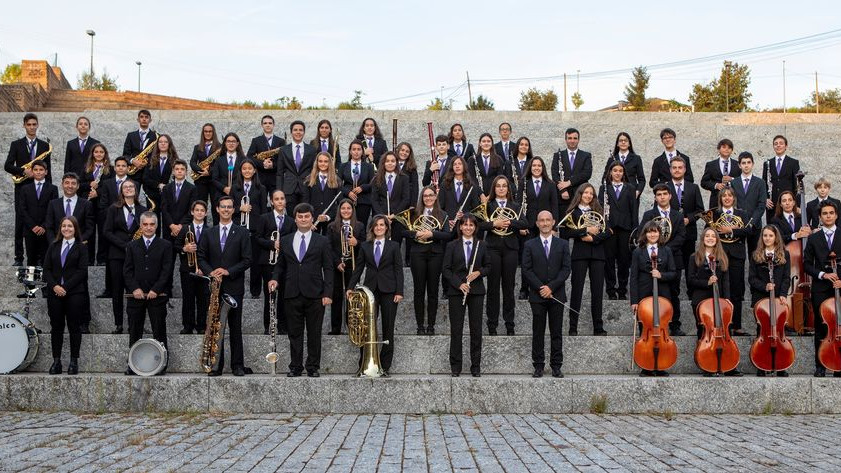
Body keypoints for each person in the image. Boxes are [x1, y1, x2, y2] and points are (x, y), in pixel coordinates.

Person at [269, 203, 333, 377]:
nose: (303, 219)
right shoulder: (286, 239)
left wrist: (328, 293)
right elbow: (280, 265)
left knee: (314, 333)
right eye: (300, 216)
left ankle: (312, 367)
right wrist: (274, 278)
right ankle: (295, 367)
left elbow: (328, 268)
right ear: (295, 219)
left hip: (315, 294)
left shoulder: (323, 240)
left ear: (312, 218)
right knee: (294, 333)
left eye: (306, 216)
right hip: (292, 293)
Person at [197, 195, 252, 376]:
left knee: (235, 328)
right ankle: (215, 366)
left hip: (234, 286)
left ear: (233, 210)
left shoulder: (242, 232)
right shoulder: (208, 233)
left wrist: (228, 271)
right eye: (223, 207)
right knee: (215, 328)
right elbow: (201, 257)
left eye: (229, 207)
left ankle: (237, 365)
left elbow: (247, 260)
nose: (226, 209)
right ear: (217, 209)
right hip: (214, 287)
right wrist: (211, 272)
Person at [348, 215, 404, 376]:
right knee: (365, 328)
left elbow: (398, 270)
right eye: (376, 225)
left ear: (387, 228)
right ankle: (364, 365)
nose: (379, 227)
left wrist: (399, 291)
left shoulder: (394, 246)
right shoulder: (365, 246)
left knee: (388, 328)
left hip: (389, 290)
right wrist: (350, 287)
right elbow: (358, 268)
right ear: (372, 228)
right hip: (370, 290)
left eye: (382, 225)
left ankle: (384, 366)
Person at [522, 210, 571, 378]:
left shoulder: (563, 244)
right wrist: (541, 288)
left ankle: (556, 365)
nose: (544, 223)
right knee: (538, 332)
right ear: (536, 223)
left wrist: (551, 287)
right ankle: (538, 365)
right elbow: (526, 270)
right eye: (541, 220)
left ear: (553, 222)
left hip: (557, 295)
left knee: (556, 332)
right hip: (537, 296)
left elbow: (566, 269)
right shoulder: (529, 245)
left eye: (547, 220)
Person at [44, 172, 95, 331]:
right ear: (62, 184)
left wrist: (78, 242)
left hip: (78, 252)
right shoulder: (53, 204)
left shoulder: (85, 204)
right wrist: (55, 244)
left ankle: (83, 322)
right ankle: (56, 324)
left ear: (78, 186)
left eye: (73, 183)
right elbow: (49, 226)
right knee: (57, 283)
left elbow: (90, 226)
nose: (70, 186)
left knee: (81, 286)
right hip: (57, 252)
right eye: (67, 183)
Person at [123, 212, 172, 376]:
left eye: (152, 224)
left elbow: (166, 271)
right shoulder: (132, 246)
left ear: (156, 226)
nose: (149, 227)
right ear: (141, 226)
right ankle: (132, 364)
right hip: (136, 296)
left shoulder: (165, 245)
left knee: (159, 330)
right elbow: (127, 271)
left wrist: (156, 290)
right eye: (146, 224)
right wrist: (135, 289)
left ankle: (162, 364)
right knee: (134, 331)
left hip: (157, 296)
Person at [442, 214, 490, 377]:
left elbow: (489, 266)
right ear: (460, 227)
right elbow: (446, 270)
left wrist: (479, 272)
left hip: (476, 291)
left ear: (475, 228)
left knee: (476, 330)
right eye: (465, 225)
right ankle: (456, 367)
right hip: (457, 292)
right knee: (456, 329)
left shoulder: (482, 245)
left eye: (471, 225)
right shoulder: (451, 246)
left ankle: (475, 366)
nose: (468, 227)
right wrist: (459, 284)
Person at [559, 183, 611, 336]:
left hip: (598, 255)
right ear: (580, 194)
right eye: (585, 193)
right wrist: (585, 230)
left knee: (597, 292)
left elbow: (608, 231)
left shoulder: (599, 211)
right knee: (577, 291)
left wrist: (593, 239)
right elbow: (565, 232)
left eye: (591, 193)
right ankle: (573, 327)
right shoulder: (573, 212)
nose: (588, 195)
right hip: (580, 255)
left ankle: (598, 327)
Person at [478, 176, 527, 335]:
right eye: (498, 186)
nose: (501, 188)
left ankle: (509, 324)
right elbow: (478, 224)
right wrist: (494, 224)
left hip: (511, 249)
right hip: (492, 249)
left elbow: (525, 224)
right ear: (494, 188)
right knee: (492, 288)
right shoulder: (488, 205)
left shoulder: (516, 206)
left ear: (508, 188)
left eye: (504, 186)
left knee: (509, 287)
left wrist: (509, 222)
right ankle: (492, 325)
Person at [630, 220, 678, 376]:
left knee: (661, 327)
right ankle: (646, 365)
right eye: (649, 231)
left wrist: (661, 275)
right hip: (644, 294)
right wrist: (634, 301)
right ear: (645, 234)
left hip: (662, 295)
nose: (652, 234)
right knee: (646, 329)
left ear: (659, 233)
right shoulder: (638, 252)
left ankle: (661, 365)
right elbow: (634, 278)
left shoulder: (666, 251)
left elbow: (673, 273)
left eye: (655, 231)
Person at [639, 184, 687, 335]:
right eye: (659, 194)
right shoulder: (648, 215)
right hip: (651, 259)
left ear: (670, 196)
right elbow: (642, 234)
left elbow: (681, 236)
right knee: (651, 293)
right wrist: (658, 251)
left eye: (665, 194)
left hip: (673, 259)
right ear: (655, 197)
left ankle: (674, 325)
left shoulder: (678, 215)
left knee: (673, 292)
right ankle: (652, 324)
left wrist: (664, 251)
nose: (662, 197)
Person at [402, 187, 451, 334]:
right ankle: (419, 326)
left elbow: (448, 235)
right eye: (425, 196)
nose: (428, 198)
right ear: (421, 198)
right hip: (418, 254)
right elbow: (403, 231)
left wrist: (432, 233)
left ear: (435, 197)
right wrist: (416, 233)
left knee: (433, 291)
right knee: (418, 290)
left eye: (431, 195)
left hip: (436, 254)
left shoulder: (443, 214)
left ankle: (431, 325)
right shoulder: (414, 214)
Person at [43, 216, 88, 375]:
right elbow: (46, 269)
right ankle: (56, 361)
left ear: (75, 229)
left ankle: (73, 361)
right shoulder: (53, 246)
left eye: (70, 226)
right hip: (55, 293)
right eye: (64, 226)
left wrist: (65, 287)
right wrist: (55, 286)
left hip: (74, 293)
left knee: (74, 327)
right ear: (60, 228)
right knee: (56, 327)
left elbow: (82, 271)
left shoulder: (81, 247)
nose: (67, 229)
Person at [5, 113, 52, 266]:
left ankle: (39, 257)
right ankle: (19, 258)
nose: (31, 127)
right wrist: (23, 171)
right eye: (29, 124)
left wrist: (48, 188)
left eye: (34, 124)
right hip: (22, 187)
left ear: (37, 125)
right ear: (24, 125)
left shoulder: (45, 146)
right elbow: (7, 165)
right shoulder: (16, 144)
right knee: (20, 223)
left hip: (40, 189)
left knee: (40, 220)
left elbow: (48, 170)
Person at [103, 180, 146, 334]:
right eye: (125, 187)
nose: (128, 189)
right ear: (121, 191)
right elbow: (107, 231)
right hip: (117, 255)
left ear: (136, 190)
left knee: (134, 288)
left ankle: (135, 323)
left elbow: (147, 232)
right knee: (117, 290)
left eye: (131, 187)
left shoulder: (143, 209)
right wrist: (124, 245)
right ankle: (118, 324)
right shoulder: (113, 209)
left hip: (136, 256)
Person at [747, 225, 791, 377]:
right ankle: (762, 364)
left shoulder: (784, 254)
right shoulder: (756, 255)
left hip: (778, 297)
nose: (767, 238)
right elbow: (751, 278)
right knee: (762, 331)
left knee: (778, 329)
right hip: (761, 298)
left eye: (770, 236)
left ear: (776, 237)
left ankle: (780, 365)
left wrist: (783, 294)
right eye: (765, 236)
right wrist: (765, 286)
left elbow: (786, 277)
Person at [804, 201, 841, 377]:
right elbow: (806, 265)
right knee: (821, 325)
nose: (828, 216)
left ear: (836, 215)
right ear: (819, 217)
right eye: (824, 213)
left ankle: (839, 364)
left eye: (831, 213)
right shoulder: (813, 238)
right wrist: (822, 275)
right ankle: (820, 365)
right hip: (820, 287)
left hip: (840, 287)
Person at [711, 188, 754, 335]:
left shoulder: (742, 214)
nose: (727, 198)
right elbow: (708, 232)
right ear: (720, 199)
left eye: (730, 195)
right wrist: (719, 230)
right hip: (720, 255)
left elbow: (749, 231)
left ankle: (737, 325)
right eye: (724, 196)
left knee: (736, 290)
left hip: (737, 256)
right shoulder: (714, 214)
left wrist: (731, 230)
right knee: (721, 289)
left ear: (734, 198)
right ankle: (722, 324)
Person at [254, 190, 295, 335]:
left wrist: (283, 244)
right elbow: (257, 238)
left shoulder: (291, 221)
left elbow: (293, 240)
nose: (279, 201)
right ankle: (269, 326)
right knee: (270, 296)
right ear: (272, 202)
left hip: (285, 264)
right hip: (268, 262)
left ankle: (283, 326)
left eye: (282, 199)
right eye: (276, 199)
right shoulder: (264, 218)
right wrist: (272, 243)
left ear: (285, 201)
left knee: (284, 296)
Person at [95, 155, 135, 300]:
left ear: (128, 168)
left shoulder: (133, 183)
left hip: (128, 228)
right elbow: (103, 204)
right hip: (111, 226)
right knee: (109, 258)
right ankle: (109, 288)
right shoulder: (107, 183)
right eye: (118, 166)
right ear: (115, 168)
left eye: (123, 166)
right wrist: (115, 214)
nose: (120, 168)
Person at [521, 156, 558, 300]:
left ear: (543, 168)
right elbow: (519, 205)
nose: (536, 168)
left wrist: (554, 228)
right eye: (534, 165)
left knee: (545, 258)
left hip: (546, 226)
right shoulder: (524, 183)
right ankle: (525, 288)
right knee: (527, 258)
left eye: (539, 165)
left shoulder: (550, 184)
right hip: (528, 226)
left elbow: (554, 205)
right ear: (530, 168)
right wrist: (521, 225)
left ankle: (545, 286)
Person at [665, 156, 705, 289]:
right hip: (671, 235)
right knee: (673, 264)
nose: (677, 170)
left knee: (689, 264)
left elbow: (700, 210)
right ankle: (673, 292)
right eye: (674, 167)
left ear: (685, 169)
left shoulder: (693, 187)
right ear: (670, 170)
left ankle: (691, 292)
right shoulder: (664, 188)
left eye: (680, 167)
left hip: (688, 233)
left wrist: (689, 218)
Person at [600, 161, 637, 300]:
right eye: (615, 170)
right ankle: (610, 290)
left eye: (620, 171)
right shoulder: (604, 188)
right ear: (610, 172)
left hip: (626, 230)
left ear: (623, 173)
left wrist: (635, 230)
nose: (617, 173)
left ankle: (622, 290)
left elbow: (634, 209)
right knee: (608, 261)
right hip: (609, 229)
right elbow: (600, 209)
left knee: (624, 261)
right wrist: (605, 226)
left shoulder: (630, 188)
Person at [686, 228, 731, 338]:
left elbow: (725, 280)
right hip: (700, 299)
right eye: (707, 236)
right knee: (702, 331)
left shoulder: (722, 258)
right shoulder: (694, 257)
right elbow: (690, 280)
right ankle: (701, 353)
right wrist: (707, 282)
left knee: (719, 328)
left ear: (716, 239)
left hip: (718, 298)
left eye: (713, 236)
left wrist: (727, 299)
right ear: (702, 239)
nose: (710, 238)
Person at [174, 200, 210, 335]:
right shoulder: (185, 228)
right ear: (192, 212)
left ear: (206, 213)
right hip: (187, 270)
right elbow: (176, 245)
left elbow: (212, 252)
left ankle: (201, 326)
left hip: (203, 271)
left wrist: (204, 268)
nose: (199, 212)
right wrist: (185, 248)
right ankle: (188, 325)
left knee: (203, 299)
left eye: (202, 210)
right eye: (197, 210)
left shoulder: (210, 230)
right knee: (188, 298)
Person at [18, 161, 58, 267]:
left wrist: (44, 226)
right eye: (35, 170)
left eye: (41, 170)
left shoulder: (53, 188)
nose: (38, 172)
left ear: (46, 172)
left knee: (46, 258)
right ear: (32, 171)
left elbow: (53, 209)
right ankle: (31, 283)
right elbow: (22, 209)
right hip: (30, 230)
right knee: (31, 258)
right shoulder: (25, 189)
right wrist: (33, 226)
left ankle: (46, 282)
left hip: (46, 230)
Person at [79, 143, 112, 266]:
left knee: (103, 232)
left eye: (101, 152)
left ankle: (102, 259)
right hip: (87, 205)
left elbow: (111, 187)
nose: (99, 154)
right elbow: (78, 185)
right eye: (96, 152)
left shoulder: (110, 169)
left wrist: (97, 192)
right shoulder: (85, 168)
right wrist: (89, 184)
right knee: (89, 232)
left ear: (105, 154)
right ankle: (89, 259)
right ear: (92, 154)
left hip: (102, 205)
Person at [732, 151, 767, 256]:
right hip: (738, 226)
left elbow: (761, 205)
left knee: (755, 255)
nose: (746, 165)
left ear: (753, 164)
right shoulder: (734, 183)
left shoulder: (760, 182)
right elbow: (732, 204)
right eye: (743, 163)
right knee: (738, 255)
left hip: (754, 225)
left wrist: (751, 222)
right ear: (739, 165)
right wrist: (738, 222)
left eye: (748, 162)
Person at [603, 132, 646, 218]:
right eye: (621, 140)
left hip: (631, 195)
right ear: (617, 144)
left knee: (631, 219)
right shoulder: (611, 159)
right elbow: (604, 178)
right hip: (615, 196)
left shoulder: (636, 159)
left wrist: (637, 192)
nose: (623, 142)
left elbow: (642, 179)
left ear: (629, 143)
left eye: (625, 140)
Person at [277, 120, 317, 211]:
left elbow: (314, 171)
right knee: (291, 217)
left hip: (306, 188)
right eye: (295, 130)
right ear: (291, 132)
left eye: (300, 130)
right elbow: (279, 173)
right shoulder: (283, 150)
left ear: (304, 132)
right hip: (289, 188)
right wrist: (279, 191)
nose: (298, 132)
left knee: (305, 214)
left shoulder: (311, 149)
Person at [142, 134, 178, 232]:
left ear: (169, 144)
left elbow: (178, 178)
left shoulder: (175, 160)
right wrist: (158, 185)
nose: (163, 144)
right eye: (160, 142)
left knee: (168, 222)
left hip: (168, 195)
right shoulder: (150, 159)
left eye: (165, 142)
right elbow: (145, 178)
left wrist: (168, 187)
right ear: (157, 144)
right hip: (152, 195)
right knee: (154, 222)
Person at [371, 151, 410, 240]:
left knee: (396, 244)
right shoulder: (377, 179)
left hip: (398, 218)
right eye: (387, 161)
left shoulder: (404, 178)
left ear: (396, 163)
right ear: (383, 163)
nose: (390, 163)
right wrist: (383, 216)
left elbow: (405, 199)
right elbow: (374, 200)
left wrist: (394, 215)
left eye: (393, 161)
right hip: (380, 219)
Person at [552, 128, 593, 213]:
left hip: (580, 196)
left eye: (575, 138)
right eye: (569, 138)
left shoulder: (586, 155)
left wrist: (569, 182)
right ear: (565, 140)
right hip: (563, 197)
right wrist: (563, 190)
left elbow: (587, 174)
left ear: (578, 140)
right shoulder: (558, 155)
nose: (572, 141)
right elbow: (555, 174)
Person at [762, 135, 800, 222]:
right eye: (776, 144)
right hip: (772, 205)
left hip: (788, 204)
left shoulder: (793, 162)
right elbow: (764, 183)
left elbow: (796, 185)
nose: (778, 145)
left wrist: (796, 204)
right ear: (773, 147)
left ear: (786, 146)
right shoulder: (767, 163)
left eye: (781, 143)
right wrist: (765, 199)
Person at [210, 132, 246, 224]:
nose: (231, 143)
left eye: (233, 141)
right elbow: (214, 179)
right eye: (228, 141)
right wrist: (224, 188)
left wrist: (234, 188)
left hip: (238, 194)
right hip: (221, 194)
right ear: (225, 143)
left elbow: (246, 176)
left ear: (237, 143)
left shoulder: (243, 159)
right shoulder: (218, 160)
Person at [304, 151, 342, 234]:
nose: (323, 164)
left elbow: (339, 203)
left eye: (326, 161)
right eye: (320, 161)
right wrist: (309, 220)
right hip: (313, 221)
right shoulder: (309, 180)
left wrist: (328, 217)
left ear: (330, 163)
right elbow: (306, 202)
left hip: (329, 221)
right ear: (316, 163)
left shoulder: (337, 180)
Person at [339, 139, 376, 225]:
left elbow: (373, 184)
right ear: (350, 151)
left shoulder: (369, 167)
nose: (356, 152)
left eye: (359, 149)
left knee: (361, 226)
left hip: (364, 202)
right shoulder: (343, 166)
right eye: (354, 149)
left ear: (362, 152)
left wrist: (362, 187)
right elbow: (338, 184)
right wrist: (348, 192)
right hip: (347, 201)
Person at [247, 114, 286, 196]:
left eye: (270, 123)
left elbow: (284, 160)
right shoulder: (256, 141)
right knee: (260, 204)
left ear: (273, 125)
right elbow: (249, 157)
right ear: (262, 125)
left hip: (275, 179)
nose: (267, 125)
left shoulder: (281, 141)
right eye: (265, 123)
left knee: (276, 203)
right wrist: (262, 164)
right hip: (260, 179)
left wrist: (273, 165)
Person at [122, 110, 158, 194]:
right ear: (138, 119)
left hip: (150, 173)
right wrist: (133, 161)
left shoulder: (156, 136)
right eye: (141, 117)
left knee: (151, 199)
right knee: (131, 196)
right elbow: (125, 154)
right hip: (134, 173)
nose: (144, 119)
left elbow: (157, 155)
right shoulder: (130, 135)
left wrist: (147, 162)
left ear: (150, 120)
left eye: (146, 117)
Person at [396, 141, 420, 265]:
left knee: (409, 232)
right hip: (395, 203)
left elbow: (415, 187)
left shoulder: (411, 168)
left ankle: (408, 259)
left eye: (407, 151)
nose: (404, 153)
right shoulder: (391, 164)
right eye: (402, 150)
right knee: (397, 233)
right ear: (398, 150)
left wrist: (413, 204)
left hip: (408, 204)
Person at [439, 156, 480, 227]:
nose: (457, 166)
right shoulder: (444, 184)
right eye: (455, 164)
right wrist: (446, 221)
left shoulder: (471, 185)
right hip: (449, 225)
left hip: (465, 225)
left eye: (460, 164)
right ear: (452, 167)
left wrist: (465, 215)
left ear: (464, 166)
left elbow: (475, 208)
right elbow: (440, 207)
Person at [189, 123, 221, 213]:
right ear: (203, 133)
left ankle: (216, 226)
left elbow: (221, 164)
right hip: (201, 180)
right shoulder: (197, 147)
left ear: (213, 132)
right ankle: (202, 226)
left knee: (216, 205)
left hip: (214, 180)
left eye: (210, 131)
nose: (208, 133)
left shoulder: (220, 147)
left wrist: (210, 172)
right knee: (201, 205)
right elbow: (192, 162)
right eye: (206, 131)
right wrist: (201, 171)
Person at [701, 139, 741, 209]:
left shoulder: (737, 164)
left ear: (732, 150)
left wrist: (732, 179)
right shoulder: (711, 165)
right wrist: (716, 185)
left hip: (734, 201)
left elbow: (742, 180)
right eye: (724, 147)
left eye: (729, 148)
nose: (726, 149)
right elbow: (704, 182)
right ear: (718, 149)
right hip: (716, 201)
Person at [467, 132, 505, 199]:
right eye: (484, 141)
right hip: (477, 196)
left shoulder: (499, 159)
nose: (486, 143)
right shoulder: (472, 159)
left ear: (492, 144)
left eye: (488, 141)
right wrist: (481, 194)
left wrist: (491, 194)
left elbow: (499, 178)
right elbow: (471, 179)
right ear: (480, 144)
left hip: (494, 196)